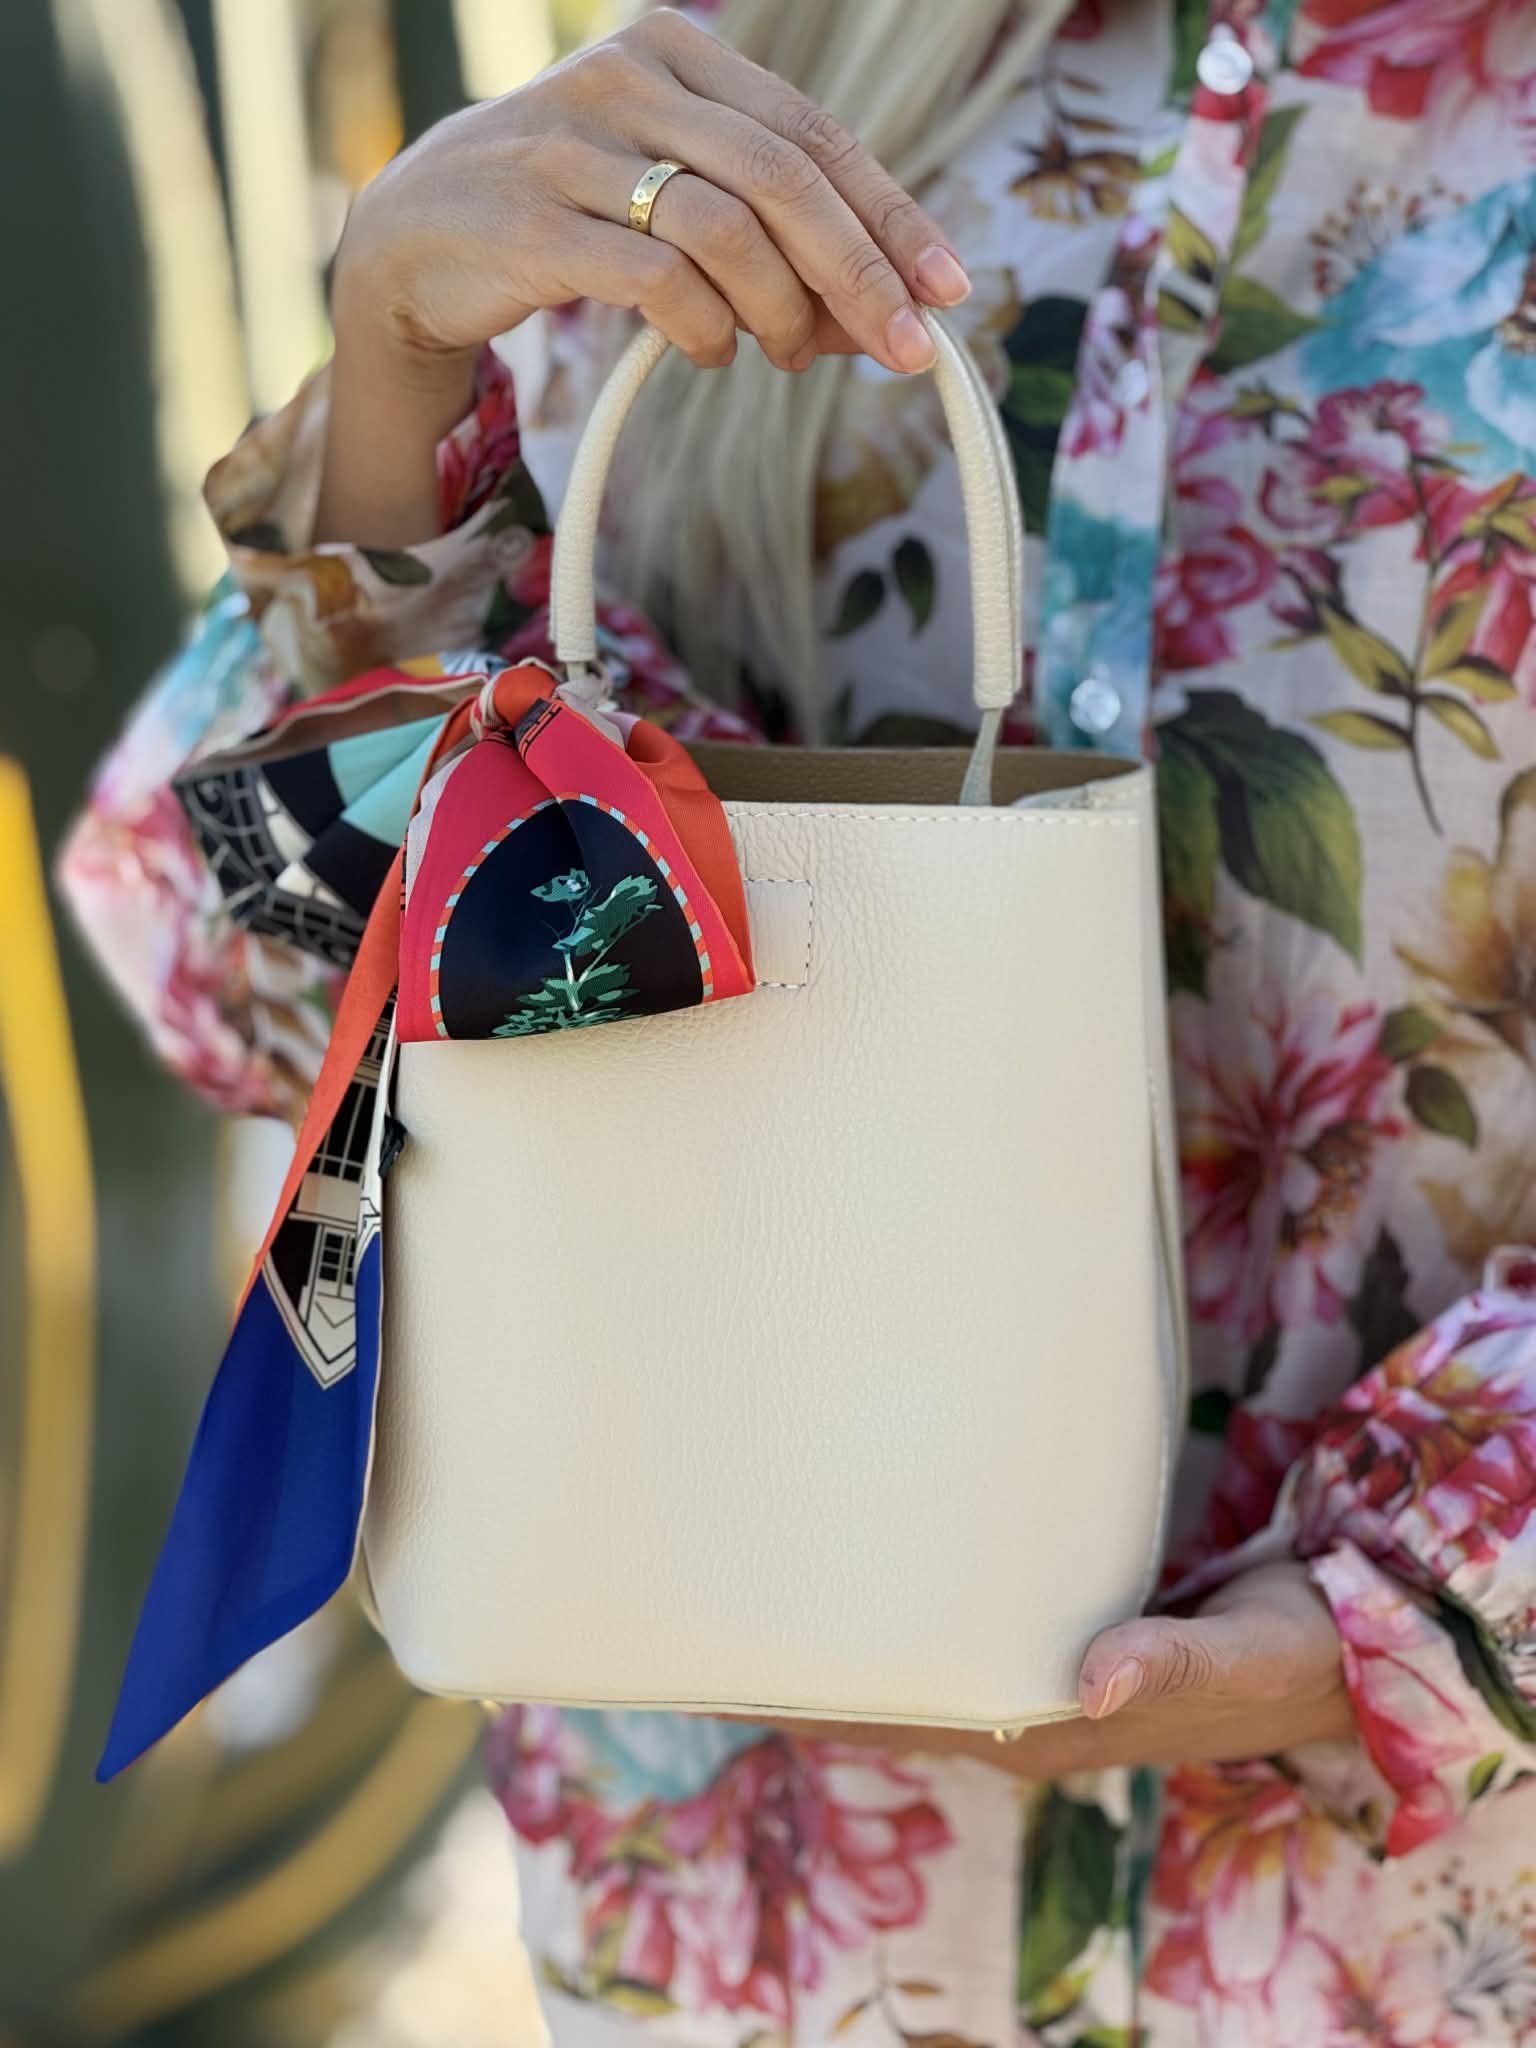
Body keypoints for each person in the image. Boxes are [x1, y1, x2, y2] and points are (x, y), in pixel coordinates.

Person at [62, 1, 1536, 2042]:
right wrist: (396, 381)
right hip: (743, 1932)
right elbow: (248, 982)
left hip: (1421, 1932)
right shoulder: (763, 89)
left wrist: (1446, 1591)